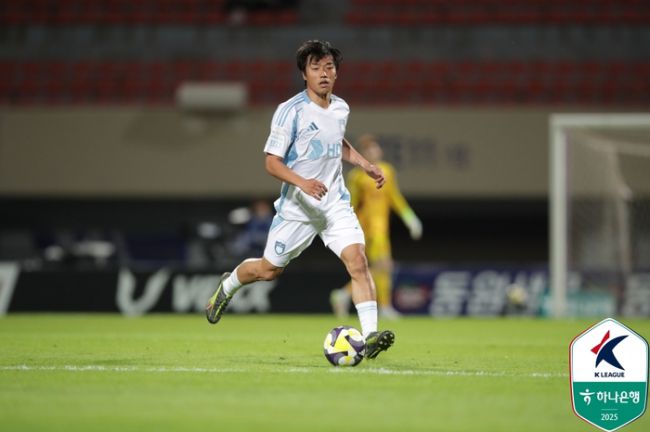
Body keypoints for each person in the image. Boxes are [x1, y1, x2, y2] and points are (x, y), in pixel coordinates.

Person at [205, 40, 395, 359]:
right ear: (304, 74)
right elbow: (271, 162)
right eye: (316, 68)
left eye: (329, 67)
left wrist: (364, 164)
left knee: (358, 261)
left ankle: (370, 336)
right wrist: (303, 183)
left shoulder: (341, 108)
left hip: (334, 203)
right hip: (298, 208)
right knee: (268, 270)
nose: (324, 73)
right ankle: (228, 285)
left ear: (336, 73)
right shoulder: (290, 111)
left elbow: (337, 141)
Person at [330, 134, 422, 319]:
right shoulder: (357, 176)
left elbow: (394, 197)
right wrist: (345, 225)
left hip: (381, 227)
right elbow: (352, 202)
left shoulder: (387, 170)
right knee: (383, 265)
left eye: (375, 147)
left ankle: (345, 294)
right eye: (368, 149)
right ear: (362, 154)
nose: (373, 151)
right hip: (366, 227)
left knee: (381, 266)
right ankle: (383, 306)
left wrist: (409, 217)